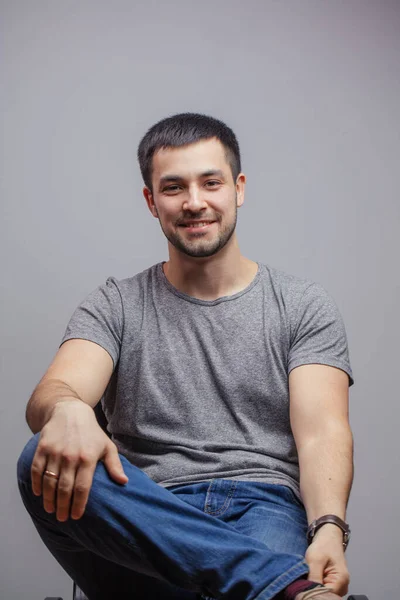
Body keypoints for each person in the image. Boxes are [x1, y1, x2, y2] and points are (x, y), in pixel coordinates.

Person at [17, 113, 354, 600]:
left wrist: (327, 527)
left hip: (262, 508)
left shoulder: (302, 305)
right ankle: (280, 588)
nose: (194, 203)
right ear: (152, 202)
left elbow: (323, 431)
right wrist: (67, 409)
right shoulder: (116, 303)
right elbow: (54, 390)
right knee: (38, 459)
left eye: (210, 182)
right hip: (145, 516)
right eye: (174, 188)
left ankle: (262, 580)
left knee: (235, 574)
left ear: (238, 188)